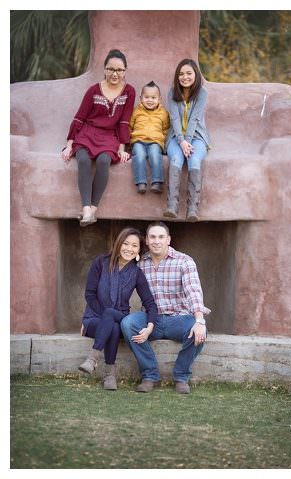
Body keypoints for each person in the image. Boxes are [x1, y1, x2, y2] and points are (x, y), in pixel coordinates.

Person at [120, 222, 209, 394]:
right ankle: (149, 375)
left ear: (168, 239)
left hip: (180, 319)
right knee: (127, 324)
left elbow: (194, 291)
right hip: (151, 320)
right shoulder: (139, 264)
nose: (156, 241)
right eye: (152, 237)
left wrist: (199, 320)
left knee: (200, 331)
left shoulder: (184, 261)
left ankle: (181, 376)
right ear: (146, 240)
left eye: (161, 237)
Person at [77, 227, 159, 390]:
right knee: (111, 325)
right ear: (118, 244)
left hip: (121, 319)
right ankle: (110, 375)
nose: (129, 248)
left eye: (134, 246)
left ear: (139, 250)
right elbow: (90, 294)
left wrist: (150, 326)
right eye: (126, 243)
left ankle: (92, 359)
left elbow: (150, 303)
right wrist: (104, 319)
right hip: (94, 319)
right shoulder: (101, 262)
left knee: (114, 320)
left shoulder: (136, 273)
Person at [61, 49, 135, 226]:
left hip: (110, 137)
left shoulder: (129, 91)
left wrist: (122, 148)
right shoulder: (93, 90)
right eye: (111, 69)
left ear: (125, 71)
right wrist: (69, 145)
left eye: (119, 70)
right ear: (104, 69)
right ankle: (86, 209)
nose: (115, 74)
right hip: (87, 134)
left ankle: (93, 209)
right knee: (84, 160)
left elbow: (124, 122)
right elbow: (79, 117)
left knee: (103, 161)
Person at [164, 58, 212, 221]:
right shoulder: (172, 92)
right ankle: (172, 206)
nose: (185, 77)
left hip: (197, 136)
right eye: (181, 74)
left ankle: (192, 209)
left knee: (194, 160)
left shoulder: (202, 93)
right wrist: (181, 141)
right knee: (176, 158)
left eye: (188, 73)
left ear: (196, 75)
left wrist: (188, 141)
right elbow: (174, 119)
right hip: (175, 138)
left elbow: (195, 119)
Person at [129, 81, 171, 194]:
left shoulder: (163, 113)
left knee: (154, 154)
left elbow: (166, 129)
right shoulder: (136, 111)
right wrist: (128, 144)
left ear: (159, 99)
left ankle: (157, 182)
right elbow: (130, 127)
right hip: (138, 140)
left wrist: (165, 143)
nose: (150, 100)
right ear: (141, 98)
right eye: (146, 97)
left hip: (155, 142)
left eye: (153, 97)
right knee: (139, 154)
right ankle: (141, 182)